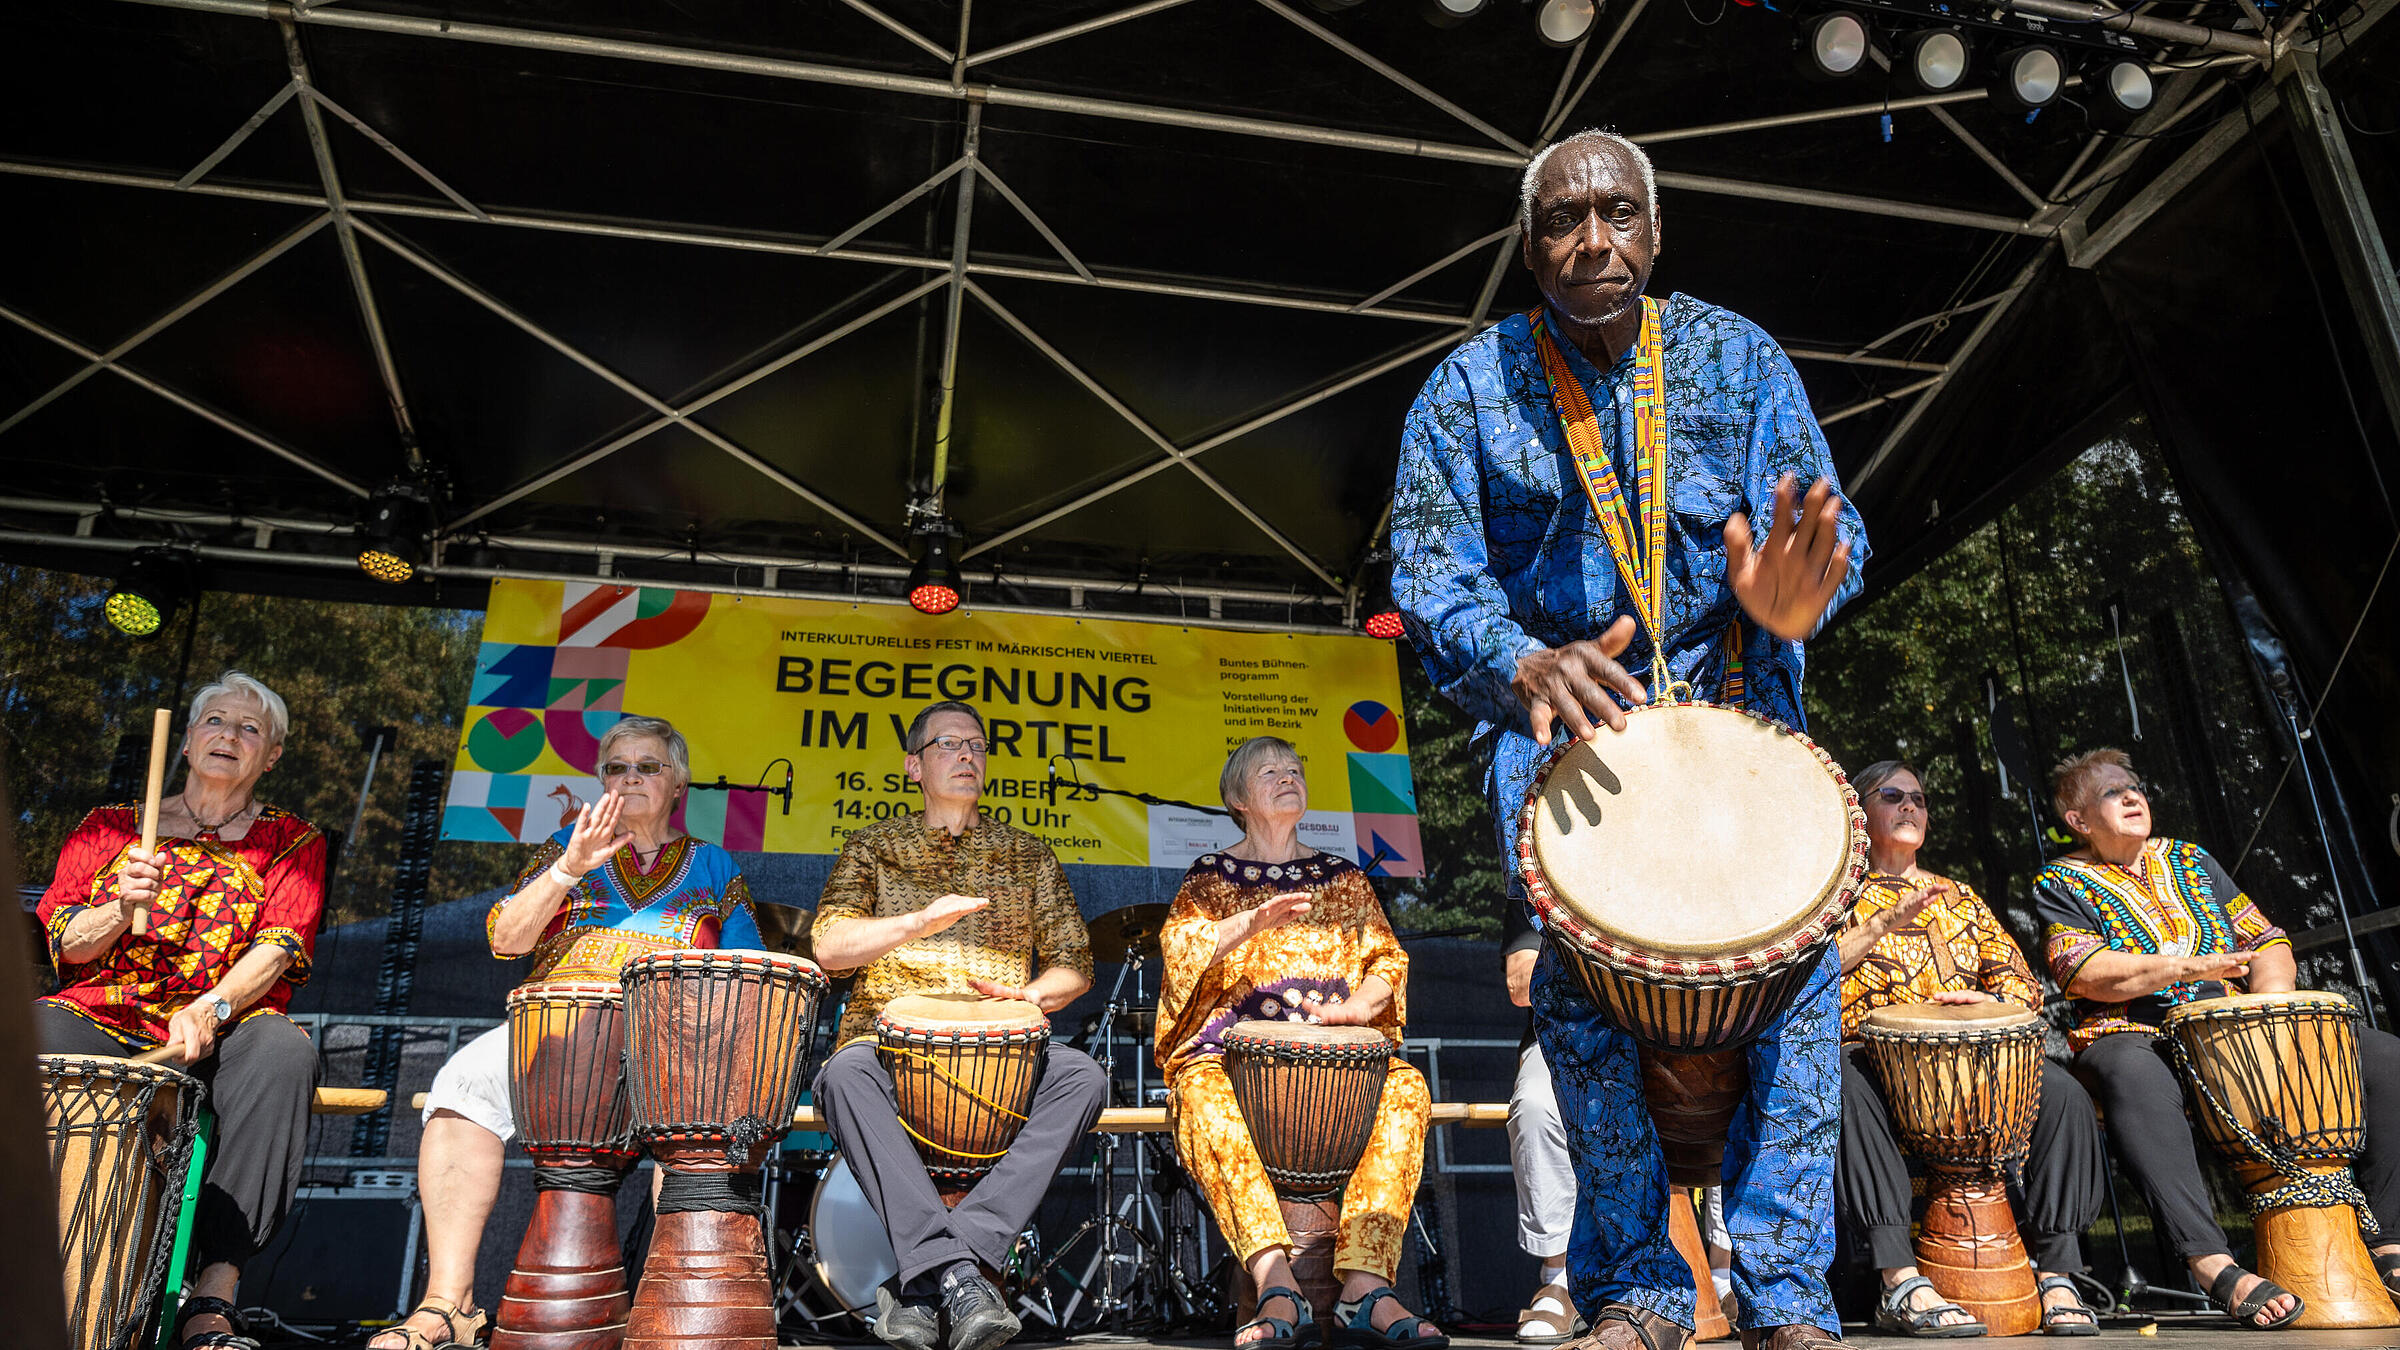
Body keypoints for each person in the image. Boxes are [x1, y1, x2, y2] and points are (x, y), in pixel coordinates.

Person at [1391, 127, 1869, 1350]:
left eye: (1616, 214)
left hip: (1737, 732)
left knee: (1799, 999)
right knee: (1583, 1014)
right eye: (1562, 219)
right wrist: (1520, 654)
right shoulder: (1470, 387)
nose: (1591, 240)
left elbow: (1828, 525)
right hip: (1570, 742)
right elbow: (1430, 576)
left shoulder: (1735, 356)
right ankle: (1638, 1295)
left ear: (1655, 232)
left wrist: (1801, 598)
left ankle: (1787, 1303)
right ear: (1529, 242)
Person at [371, 714, 764, 1350]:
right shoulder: (564, 846)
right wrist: (568, 871)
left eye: (648, 766)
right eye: (617, 768)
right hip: (555, 1033)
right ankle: (448, 1305)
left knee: (703, 1122)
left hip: (672, 1044)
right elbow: (506, 938)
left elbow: (748, 973)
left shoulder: (714, 866)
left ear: (678, 783)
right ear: (600, 781)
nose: (630, 777)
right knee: (460, 1084)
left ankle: (666, 1310)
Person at [2035, 748, 2400, 1330]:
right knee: (2131, 1075)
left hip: (2237, 1024)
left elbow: (2266, 939)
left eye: (2135, 787)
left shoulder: (2191, 858)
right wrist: (2186, 969)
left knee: (2384, 1057)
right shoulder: (2061, 880)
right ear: (2078, 820)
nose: (2134, 797)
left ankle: (2390, 1243)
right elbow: (2085, 972)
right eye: (2112, 793)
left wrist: (2271, 1007)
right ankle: (2212, 1263)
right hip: (2134, 1031)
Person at [36, 672, 326, 1350]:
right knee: (36, 1034)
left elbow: (279, 947)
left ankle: (213, 1294)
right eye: (216, 722)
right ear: (189, 739)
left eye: (250, 729)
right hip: (105, 1009)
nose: (230, 736)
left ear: (273, 754)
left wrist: (213, 1005)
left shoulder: (291, 842)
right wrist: (117, 907)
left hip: (224, 1021)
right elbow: (66, 945)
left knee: (285, 1053)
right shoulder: (110, 828)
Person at [810, 701, 1108, 1350]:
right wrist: (917, 922)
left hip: (1003, 1052)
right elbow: (829, 947)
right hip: (888, 1047)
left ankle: (933, 1278)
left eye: (977, 745)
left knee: (1083, 1077)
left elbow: (1075, 966)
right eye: (950, 744)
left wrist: (1029, 994)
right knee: (843, 1076)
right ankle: (965, 1276)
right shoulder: (874, 847)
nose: (969, 754)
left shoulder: (1026, 855)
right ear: (913, 765)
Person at [1155, 736, 1442, 1350]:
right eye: (1269, 772)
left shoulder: (1341, 878)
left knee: (1407, 1087)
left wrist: (1357, 1007)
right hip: (1227, 1061)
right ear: (1237, 799)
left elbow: (1387, 960)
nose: (1287, 777)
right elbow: (1180, 949)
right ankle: (1275, 1283)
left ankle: (1366, 1286)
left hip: (1336, 1062)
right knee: (1200, 1096)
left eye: (1294, 770)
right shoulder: (1211, 877)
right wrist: (1247, 924)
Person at [1834, 761, 2102, 1337]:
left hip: (1976, 1066)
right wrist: (1880, 925)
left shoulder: (1959, 898)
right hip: (1872, 1058)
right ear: (1858, 812)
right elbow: (1810, 976)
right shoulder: (1829, 894)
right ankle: (1898, 1279)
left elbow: (2020, 984)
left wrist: (1985, 1003)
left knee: (2064, 1095)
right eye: (1893, 795)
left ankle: (2058, 1272)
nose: (1910, 806)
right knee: (1840, 1082)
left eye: (1920, 799)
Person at [1502, 884, 1582, 1344]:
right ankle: (1558, 1275)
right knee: (1535, 1105)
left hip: (1659, 1031)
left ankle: (1724, 1277)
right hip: (1563, 1031)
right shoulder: (1541, 868)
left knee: (1738, 1085)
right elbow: (1520, 983)